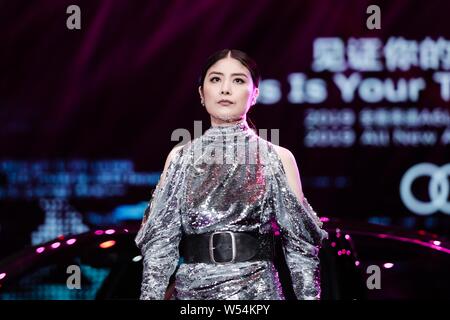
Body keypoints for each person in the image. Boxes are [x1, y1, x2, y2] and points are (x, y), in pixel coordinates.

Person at [135, 49, 328, 300]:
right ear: (202, 94)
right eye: (215, 79)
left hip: (257, 293)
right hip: (193, 294)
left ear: (255, 94)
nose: (225, 89)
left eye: (238, 80)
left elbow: (300, 247)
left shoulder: (276, 157)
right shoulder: (180, 158)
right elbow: (160, 243)